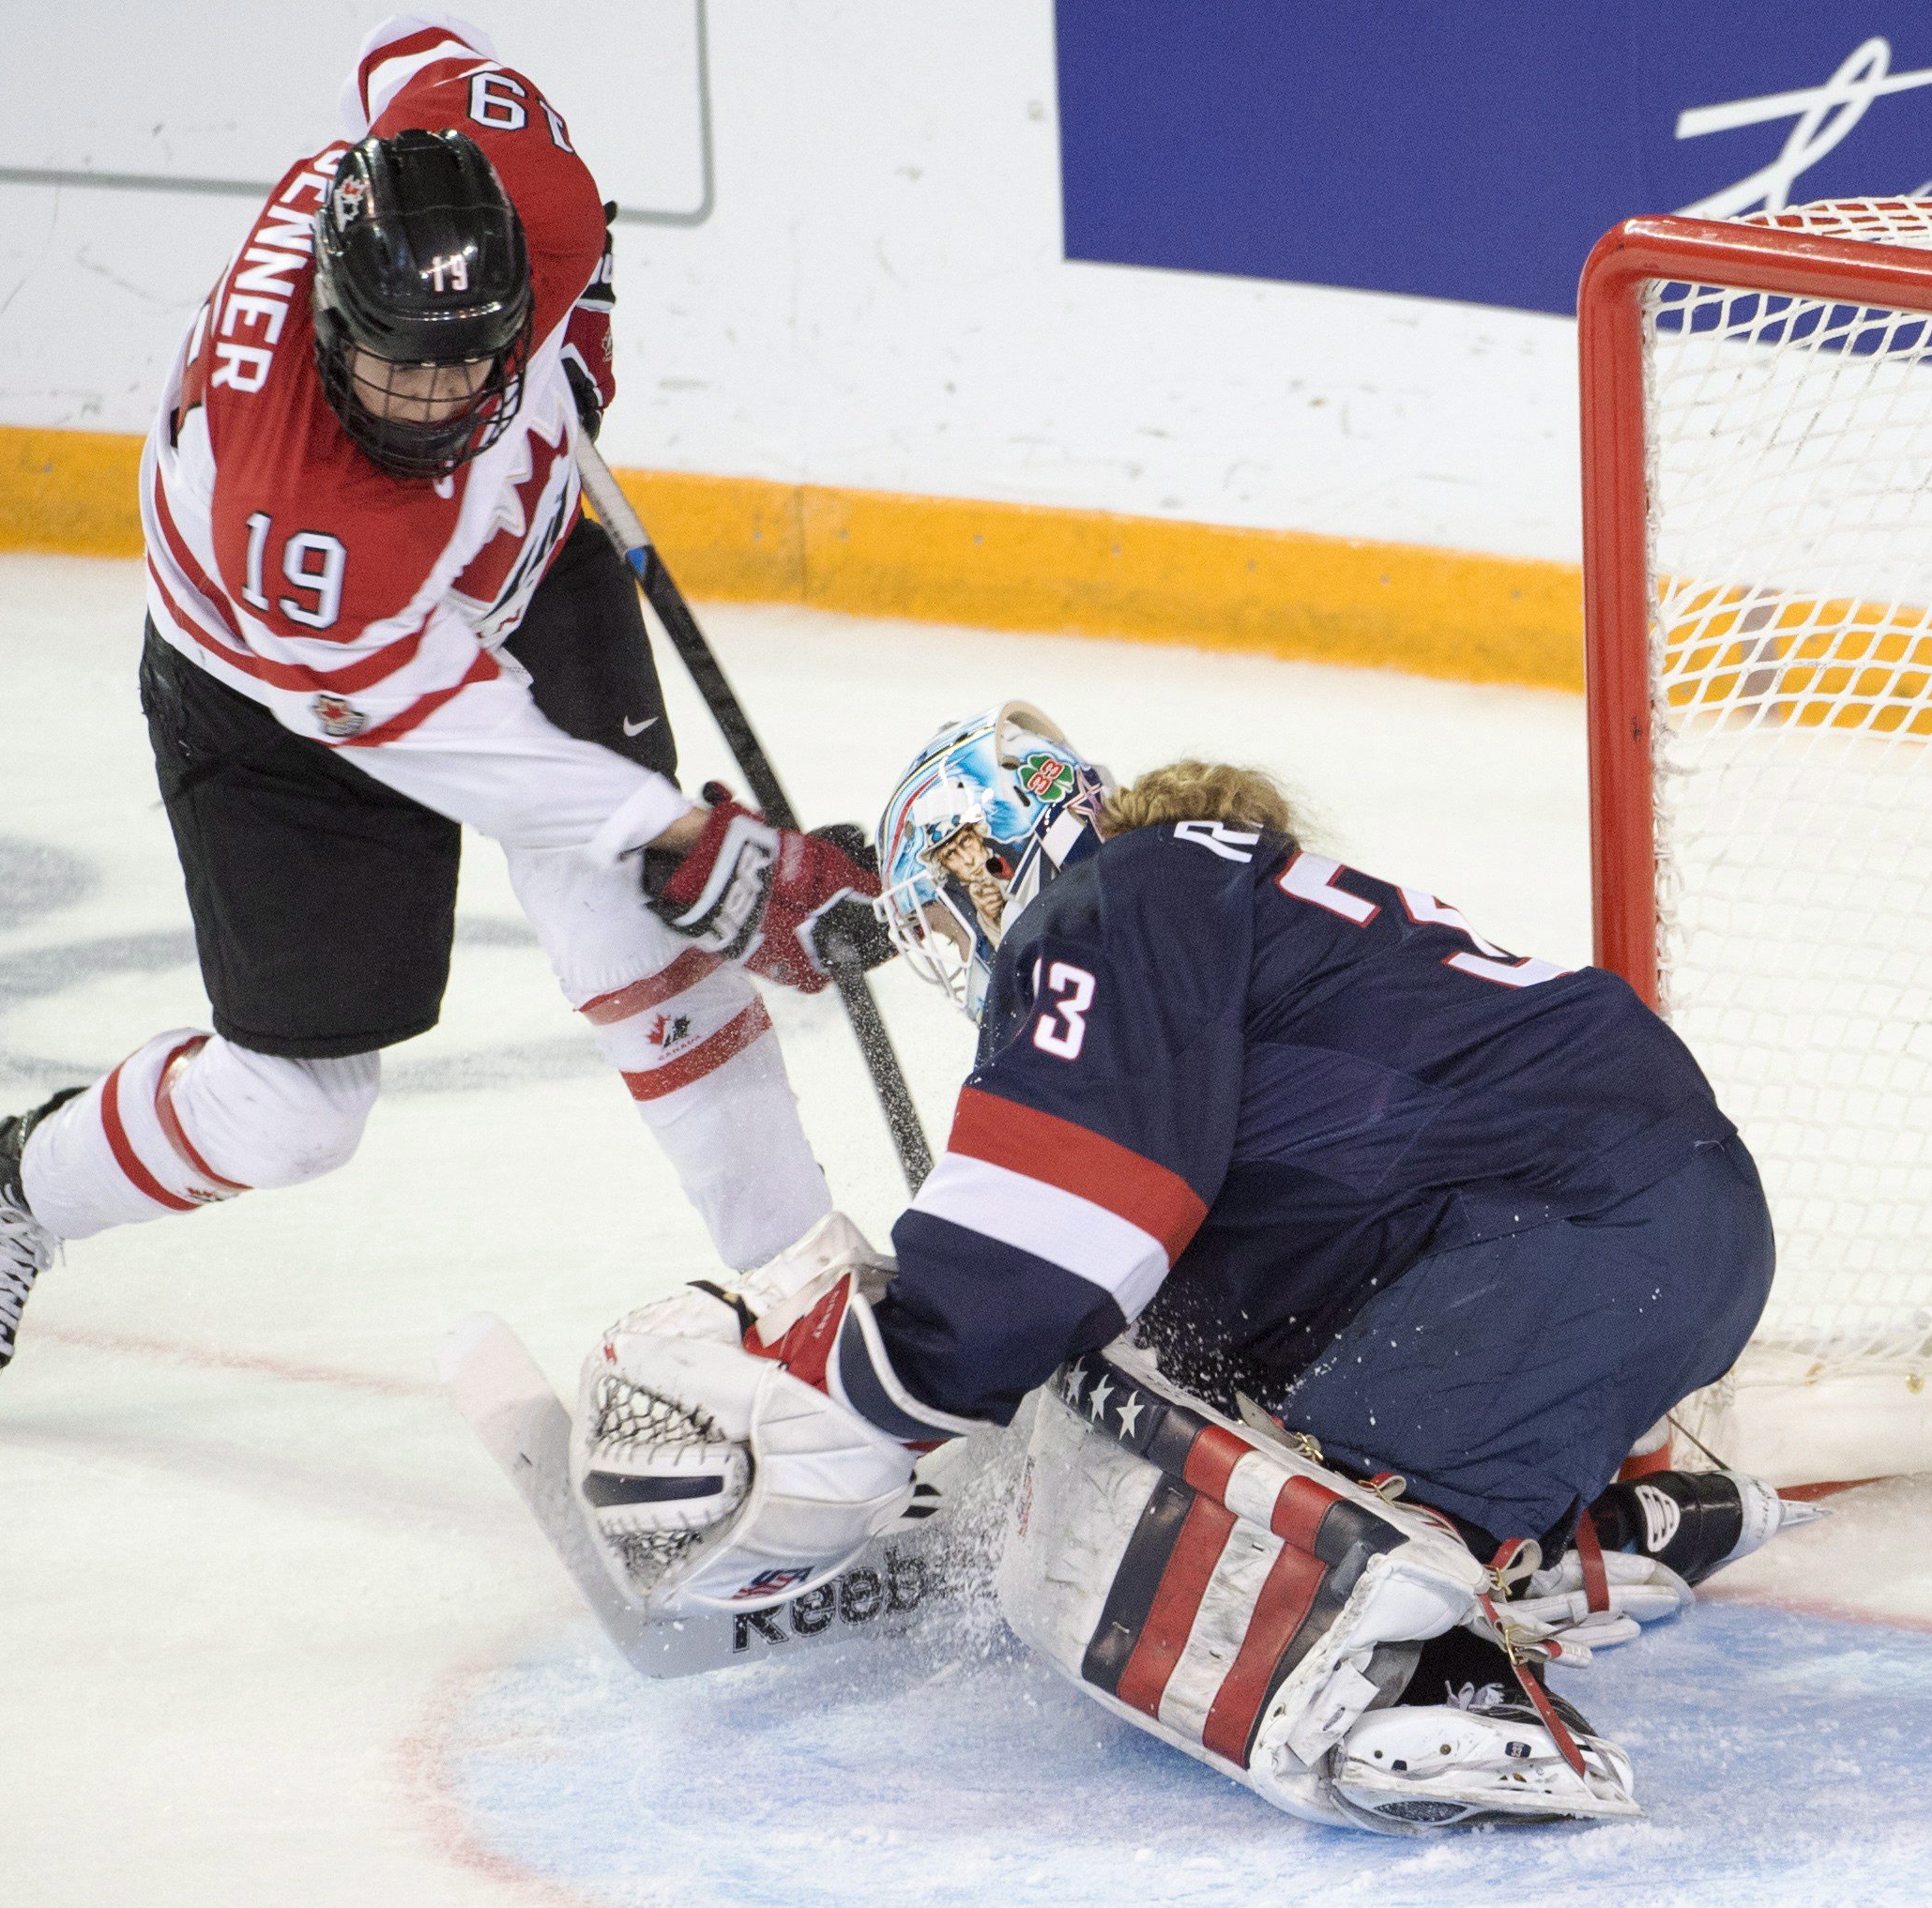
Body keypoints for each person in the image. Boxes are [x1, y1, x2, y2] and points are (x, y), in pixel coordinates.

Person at [564, 702, 1793, 1832]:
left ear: (997, 853)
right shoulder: (1198, 900)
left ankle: (1464, 1676)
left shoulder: (1104, 906)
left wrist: (854, 1396)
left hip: (1583, 1227)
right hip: (1618, 1222)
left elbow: (1048, 1238)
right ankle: (1584, 1535)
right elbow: (1150, 1301)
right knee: (1203, 1401)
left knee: (1272, 1532)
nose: (955, 951)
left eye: (943, 906)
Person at [0, 15, 890, 1417]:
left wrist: (581, 346)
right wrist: (702, 847)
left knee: (639, 928)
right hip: (277, 696)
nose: (429, 405)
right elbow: (492, 754)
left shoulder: (497, 184)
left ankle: (807, 1290)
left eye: (465, 366)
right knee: (300, 1110)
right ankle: (22, 1190)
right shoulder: (300, 533)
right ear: (329, 313)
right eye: (394, 369)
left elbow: (408, 47)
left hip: (518, 567)